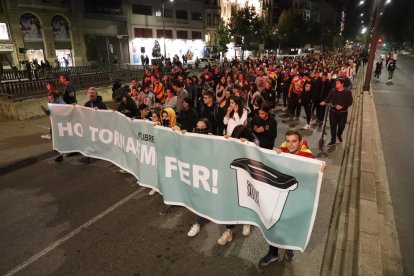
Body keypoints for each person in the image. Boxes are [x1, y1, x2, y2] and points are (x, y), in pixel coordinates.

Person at [259, 129, 326, 266]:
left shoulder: (308, 159)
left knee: (291, 226)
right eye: (288, 141)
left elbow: (314, 181)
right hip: (279, 198)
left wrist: (320, 173)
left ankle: (290, 249)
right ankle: (273, 253)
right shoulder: (281, 152)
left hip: (296, 201)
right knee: (274, 225)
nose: (290, 145)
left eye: (294, 141)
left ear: (300, 142)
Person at [217, 125, 257, 245]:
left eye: (241, 138)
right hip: (232, 177)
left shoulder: (254, 143)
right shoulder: (230, 142)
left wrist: (248, 146)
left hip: (248, 178)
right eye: (236, 138)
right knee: (231, 203)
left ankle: (246, 221)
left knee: (246, 199)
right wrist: (226, 141)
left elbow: (259, 157)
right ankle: (228, 231)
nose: (238, 140)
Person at [320, 78, 353, 146]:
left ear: (342, 84)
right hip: (333, 112)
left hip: (343, 112)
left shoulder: (347, 91)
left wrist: (342, 106)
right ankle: (333, 140)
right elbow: (328, 98)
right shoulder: (332, 91)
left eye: (337, 83)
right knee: (333, 126)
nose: (336, 84)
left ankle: (339, 134)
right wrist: (324, 102)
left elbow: (350, 102)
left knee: (342, 126)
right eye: (336, 83)